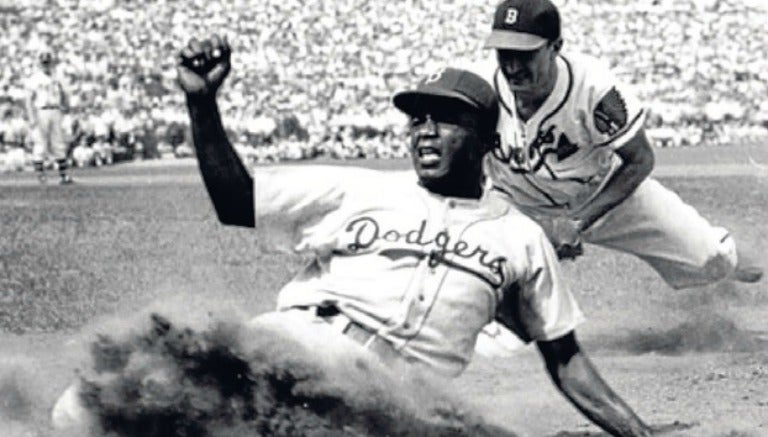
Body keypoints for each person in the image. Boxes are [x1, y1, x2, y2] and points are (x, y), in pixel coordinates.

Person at [50, 36, 655, 435]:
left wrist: (637, 433)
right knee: (78, 412)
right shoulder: (359, 189)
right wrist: (202, 106)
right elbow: (237, 202)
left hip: (388, 402)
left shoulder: (520, 239)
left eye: (446, 118)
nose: (424, 130)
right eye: (417, 118)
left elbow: (565, 358)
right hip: (293, 346)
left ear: (487, 140)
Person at [474, 0, 762, 289]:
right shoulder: (478, 87)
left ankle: (729, 258)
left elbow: (641, 159)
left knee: (709, 261)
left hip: (603, 194)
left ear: (555, 47)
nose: (512, 66)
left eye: (525, 55)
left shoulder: (594, 89)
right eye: (505, 53)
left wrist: (576, 222)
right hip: (516, 202)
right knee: (476, 273)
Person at [24, 50, 74, 185]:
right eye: (44, 62)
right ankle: (41, 175)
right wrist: (31, 116)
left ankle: (64, 175)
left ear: (52, 63)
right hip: (41, 111)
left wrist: (66, 106)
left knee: (58, 142)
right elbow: (29, 99)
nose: (46, 65)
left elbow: (65, 93)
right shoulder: (34, 78)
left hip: (56, 110)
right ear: (39, 63)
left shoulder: (58, 77)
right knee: (40, 142)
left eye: (48, 62)